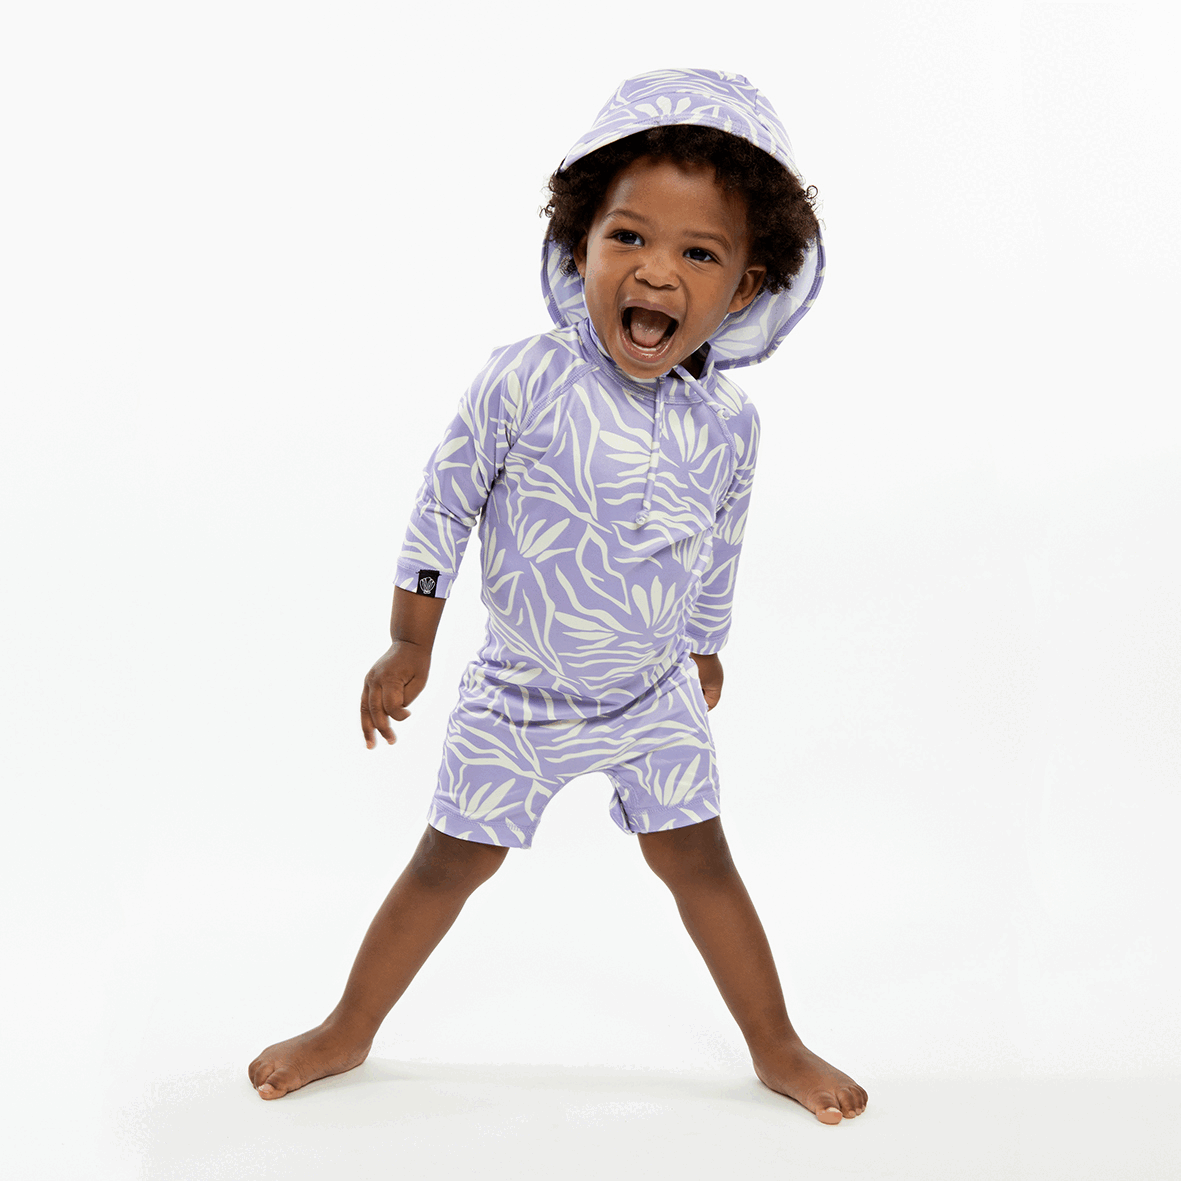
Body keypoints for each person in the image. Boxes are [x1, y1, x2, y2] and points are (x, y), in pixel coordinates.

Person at [248, 68, 868, 1124]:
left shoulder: (728, 424)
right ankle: (347, 1026)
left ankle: (775, 1042)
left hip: (651, 692)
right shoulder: (523, 379)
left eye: (699, 254)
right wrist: (409, 640)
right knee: (448, 862)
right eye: (627, 238)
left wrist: (704, 645)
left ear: (745, 289)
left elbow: (719, 541)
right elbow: (443, 505)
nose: (656, 272)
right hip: (518, 693)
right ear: (578, 245)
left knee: (700, 860)